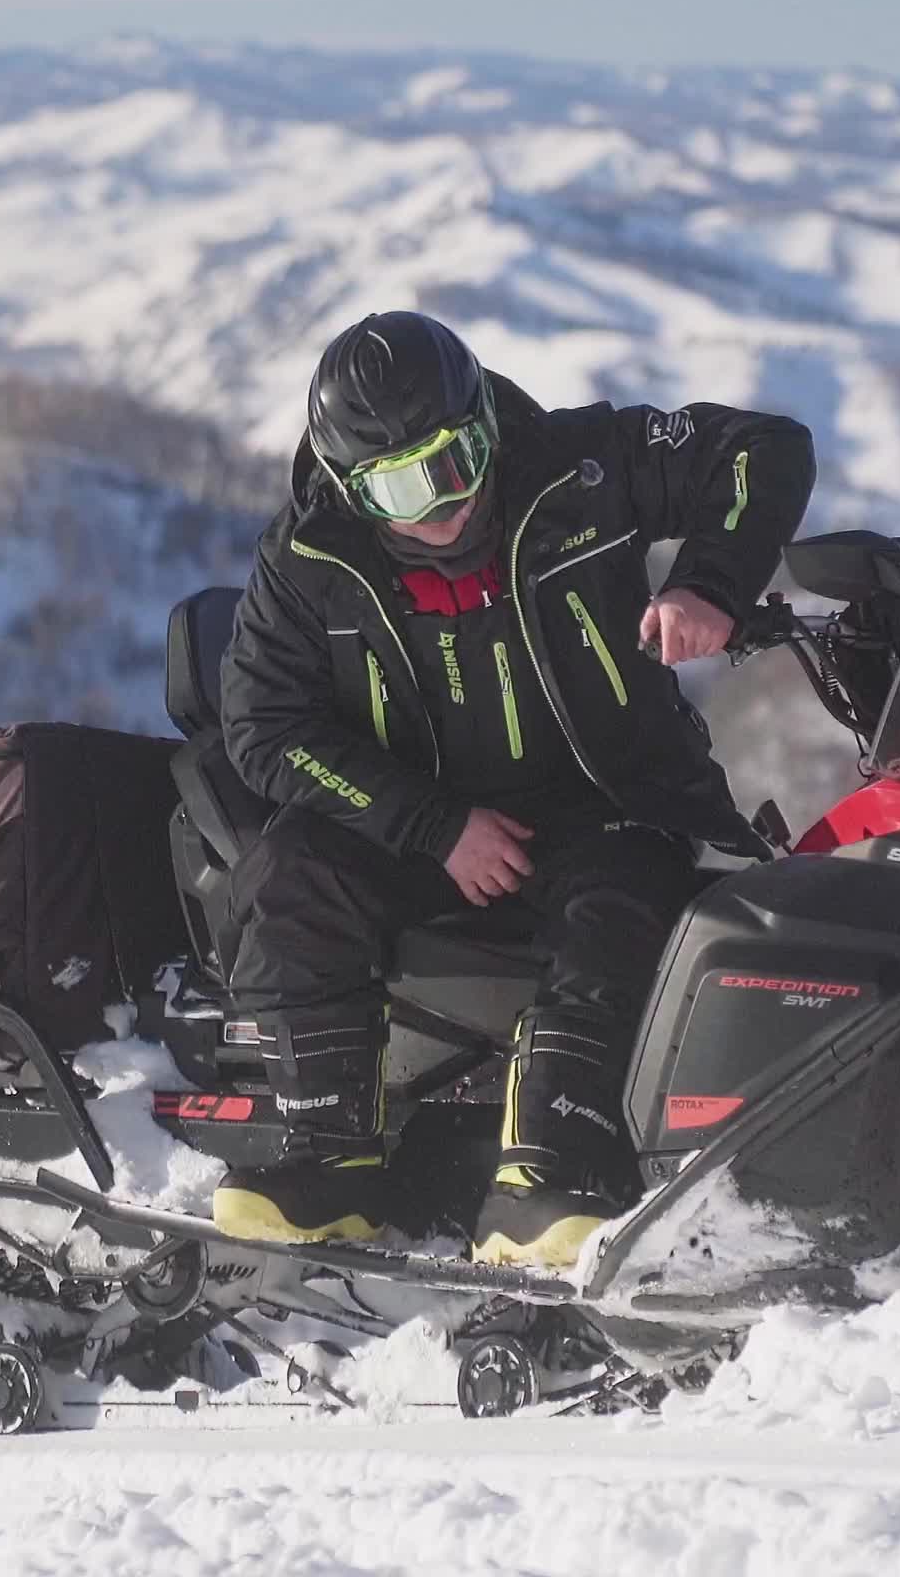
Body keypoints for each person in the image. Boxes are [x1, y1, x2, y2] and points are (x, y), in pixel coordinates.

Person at [216, 311, 815, 1266]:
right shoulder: (308, 560)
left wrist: (711, 581)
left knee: (622, 907)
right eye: (399, 486)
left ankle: (552, 1170)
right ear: (348, 484)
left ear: (486, 422)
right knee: (290, 872)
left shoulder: (583, 468)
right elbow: (263, 725)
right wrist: (432, 824)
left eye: (455, 462)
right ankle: (327, 1162)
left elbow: (763, 449)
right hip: (422, 830)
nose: (441, 505)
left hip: (612, 807)